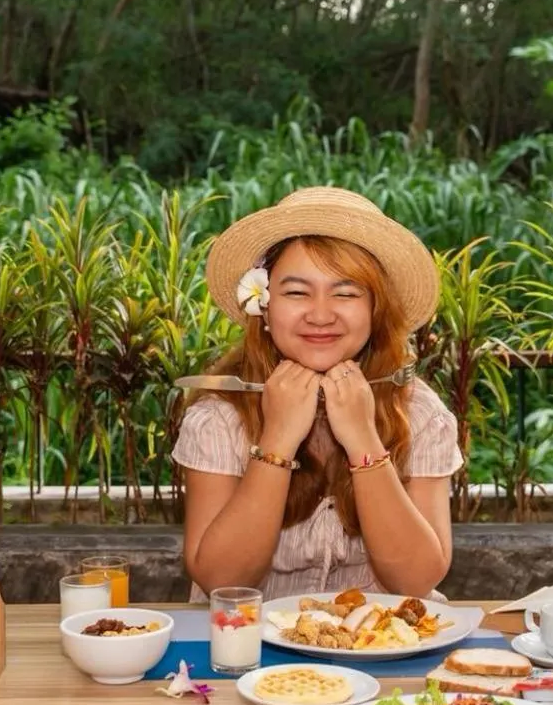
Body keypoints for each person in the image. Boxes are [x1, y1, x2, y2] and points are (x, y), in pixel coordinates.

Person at [172, 186, 463, 600]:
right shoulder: (220, 417)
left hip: (379, 646)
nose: (321, 314)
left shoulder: (419, 414)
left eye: (345, 293)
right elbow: (221, 581)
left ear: (375, 311)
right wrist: (278, 439)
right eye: (296, 292)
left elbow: (415, 582)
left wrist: (363, 439)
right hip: (252, 654)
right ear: (265, 309)